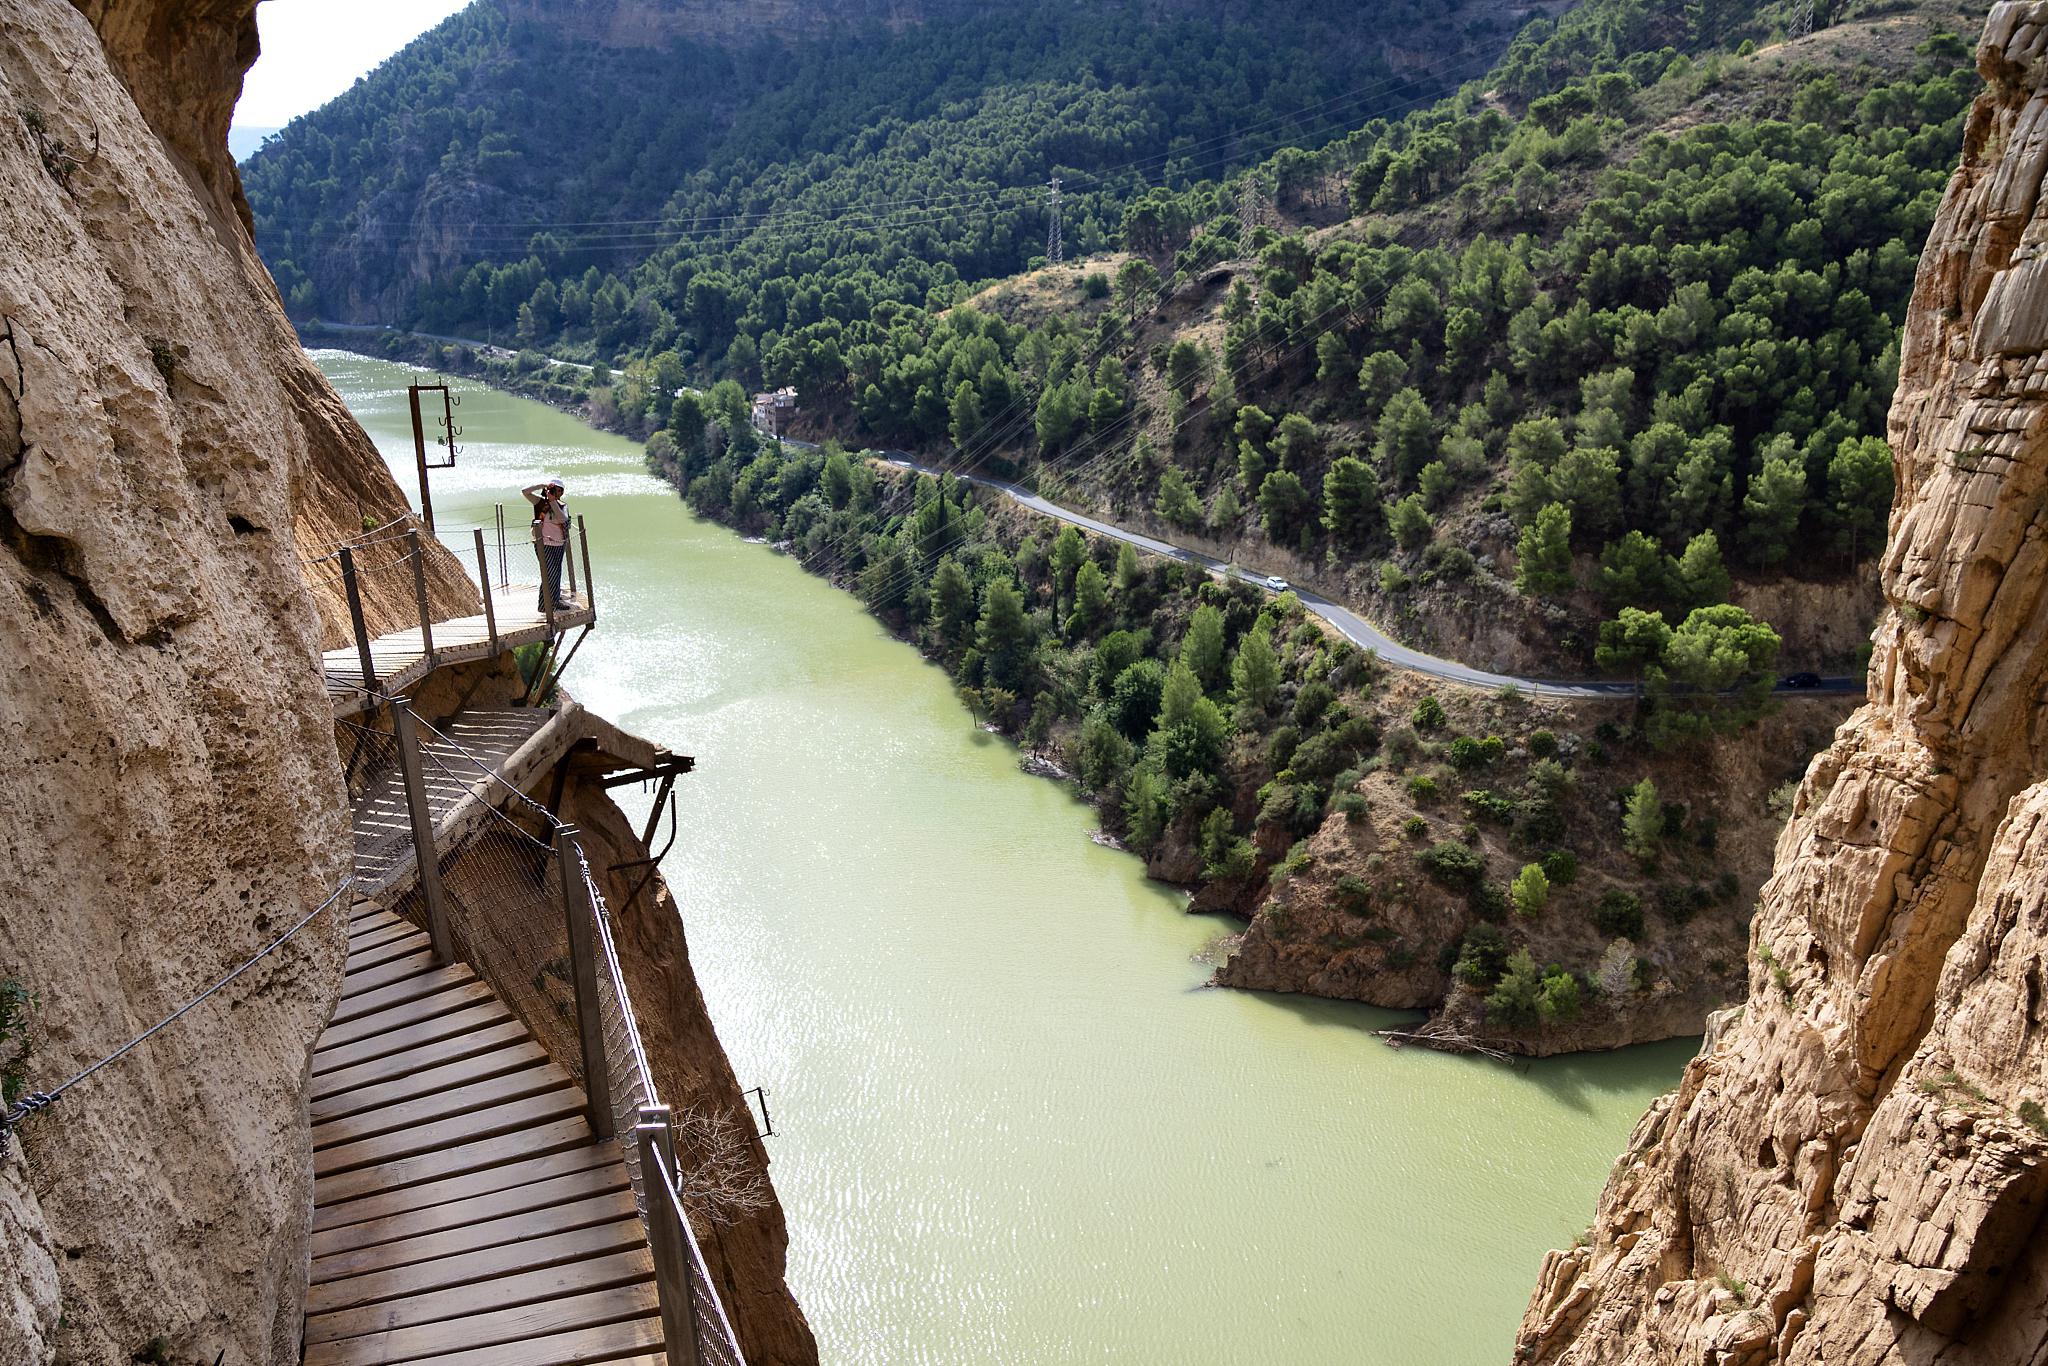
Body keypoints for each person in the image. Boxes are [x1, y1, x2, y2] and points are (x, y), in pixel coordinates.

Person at [522, 479, 572, 611]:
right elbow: (524, 492)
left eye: (560, 490)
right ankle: (544, 606)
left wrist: (553, 502)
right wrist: (542, 485)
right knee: (548, 573)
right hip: (543, 543)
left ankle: (554, 602)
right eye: (555, 489)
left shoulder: (562, 505)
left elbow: (563, 519)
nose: (557, 492)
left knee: (556, 573)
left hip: (559, 544)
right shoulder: (539, 502)